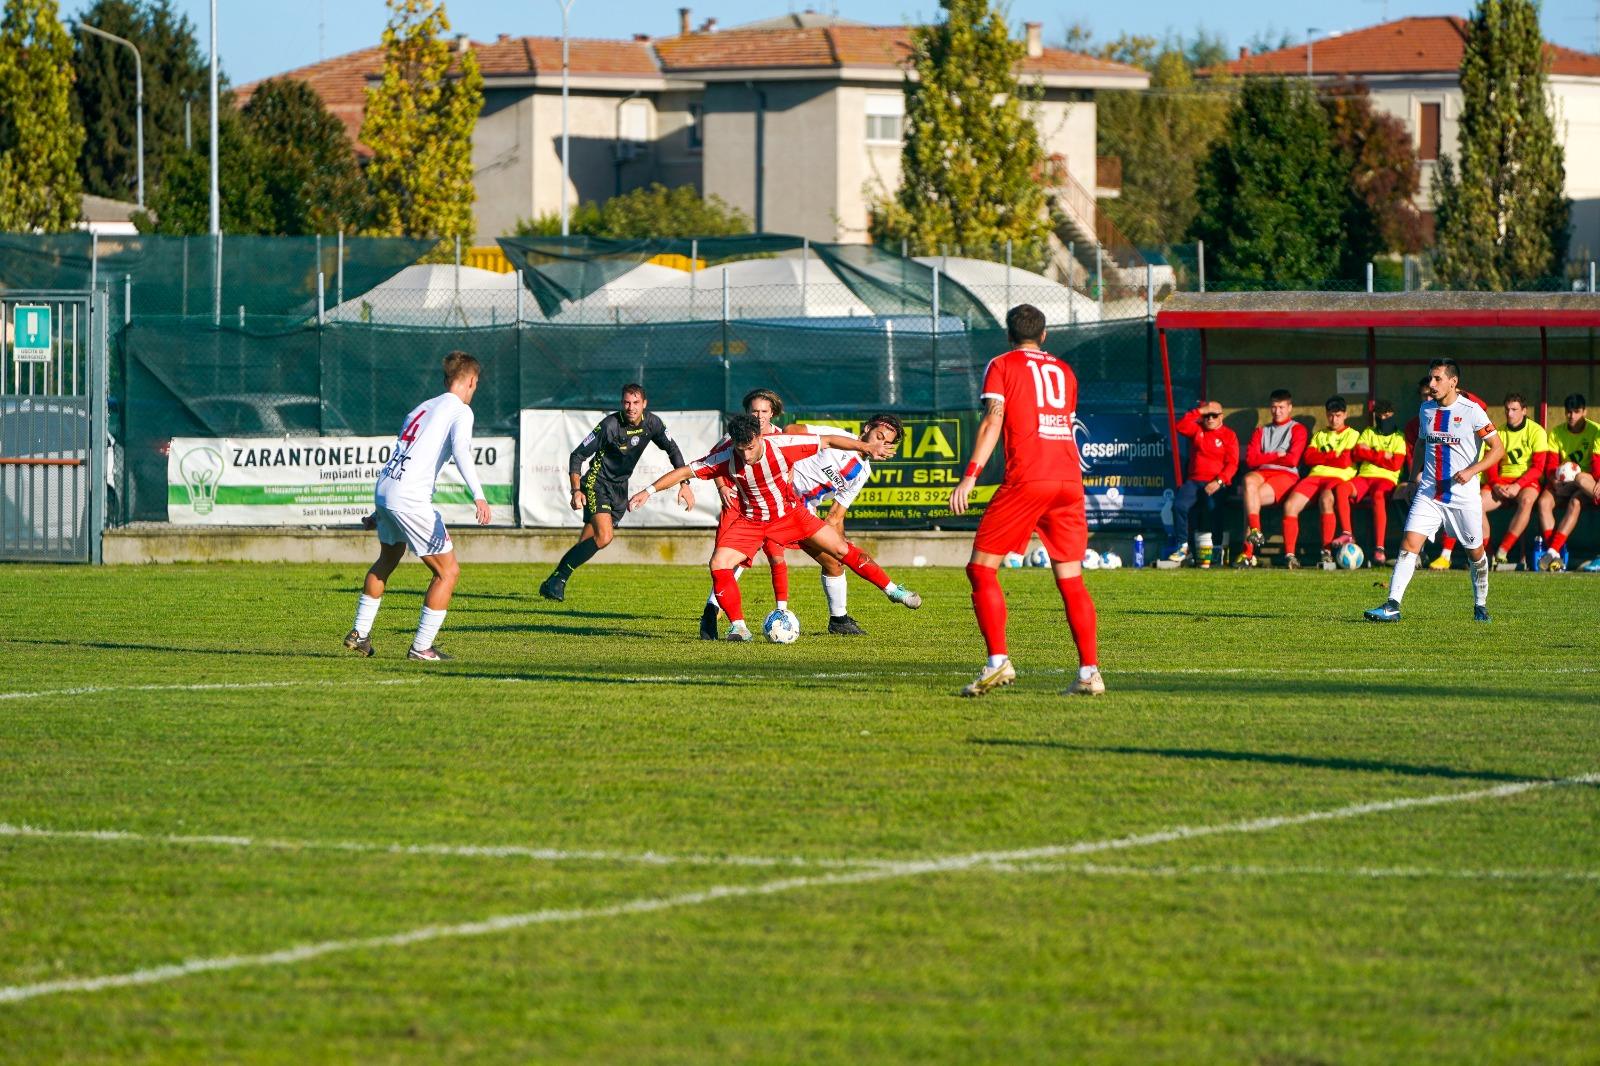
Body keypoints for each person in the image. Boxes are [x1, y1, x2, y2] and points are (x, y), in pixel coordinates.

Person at [631, 415, 920, 641]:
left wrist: (866, 447)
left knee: (840, 550)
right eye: (740, 449)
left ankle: (893, 590)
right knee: (719, 563)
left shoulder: (783, 446)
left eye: (750, 448)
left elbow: (829, 440)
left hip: (791, 515)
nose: (745, 455)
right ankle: (739, 628)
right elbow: (686, 471)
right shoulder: (726, 456)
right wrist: (649, 490)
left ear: (760, 437)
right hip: (751, 522)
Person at [948, 304, 1103, 698]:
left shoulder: (1002, 364)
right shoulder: (1065, 372)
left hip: (1028, 478)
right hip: (1069, 479)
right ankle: (1089, 672)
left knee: (981, 570)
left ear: (1008, 334)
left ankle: (998, 662)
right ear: (1045, 335)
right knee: (1071, 578)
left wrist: (970, 476)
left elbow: (993, 419)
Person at [345, 351, 492, 662]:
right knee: (448, 572)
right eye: (475, 385)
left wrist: (380, 508)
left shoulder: (422, 408)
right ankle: (422, 648)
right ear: (470, 381)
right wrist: (478, 494)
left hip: (387, 486)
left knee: (388, 558)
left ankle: (360, 633)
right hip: (409, 497)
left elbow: (402, 452)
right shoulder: (460, 411)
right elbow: (462, 451)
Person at [1365, 359, 1503, 624]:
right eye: (1430, 378)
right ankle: (1392, 605)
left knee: (1476, 554)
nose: (1432, 384)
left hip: (1463, 496)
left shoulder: (1473, 412)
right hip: (1430, 492)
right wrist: (1413, 477)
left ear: (1453, 382)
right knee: (1409, 544)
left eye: (1438, 379)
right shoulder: (1426, 409)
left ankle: (1480, 604)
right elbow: (1420, 444)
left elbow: (1498, 449)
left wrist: (1473, 470)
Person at [539, 384, 692, 602]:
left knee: (589, 540)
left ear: (644, 404)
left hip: (620, 488)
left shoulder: (652, 423)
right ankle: (557, 581)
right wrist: (575, 490)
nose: (631, 407)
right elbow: (577, 456)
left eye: (636, 403)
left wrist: (684, 483)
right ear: (622, 403)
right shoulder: (610, 425)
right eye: (627, 403)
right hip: (596, 483)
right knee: (605, 536)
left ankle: (554, 581)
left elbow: (673, 449)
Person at [765, 414, 904, 635]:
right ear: (867, 428)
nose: (881, 444)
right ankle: (715, 610)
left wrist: (839, 540)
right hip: (775, 494)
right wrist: (787, 465)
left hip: (802, 512)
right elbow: (792, 429)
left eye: (887, 443)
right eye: (879, 436)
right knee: (741, 553)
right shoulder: (839, 437)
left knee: (834, 562)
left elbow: (836, 516)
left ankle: (838, 620)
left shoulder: (862, 472)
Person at [698, 389, 791, 639]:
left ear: (773, 413)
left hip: (770, 511)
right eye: (754, 411)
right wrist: (722, 489)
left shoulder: (781, 438)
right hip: (738, 506)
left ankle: (782, 611)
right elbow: (711, 462)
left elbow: (789, 466)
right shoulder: (735, 436)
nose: (759, 416)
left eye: (764, 411)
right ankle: (712, 613)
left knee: (776, 556)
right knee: (726, 562)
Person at [1280, 396, 1359, 568]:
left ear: (1345, 415)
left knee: (1326, 500)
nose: (1334, 419)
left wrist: (1322, 458)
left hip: (1338, 478)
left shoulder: (1353, 434)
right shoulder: (1319, 434)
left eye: (1338, 415)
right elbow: (1308, 458)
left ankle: (1326, 553)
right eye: (1330, 415)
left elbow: (1345, 461)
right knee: (1290, 506)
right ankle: (1289, 555)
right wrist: (1332, 456)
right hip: (1314, 477)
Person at [1235, 388, 1309, 568]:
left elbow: (1292, 459)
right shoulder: (1261, 430)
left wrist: (1266, 456)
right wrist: (1277, 454)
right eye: (1274, 407)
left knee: (1250, 500)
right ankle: (1255, 531)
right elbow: (1252, 460)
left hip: (1286, 475)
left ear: (1290, 408)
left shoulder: (1297, 429)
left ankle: (1248, 553)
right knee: (1248, 481)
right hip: (1262, 473)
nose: (1277, 411)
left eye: (1282, 407)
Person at [1166, 400, 1239, 568]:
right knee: (1179, 506)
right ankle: (1184, 546)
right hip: (1194, 480)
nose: (1210, 419)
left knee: (1215, 509)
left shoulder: (1229, 435)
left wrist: (1219, 481)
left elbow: (1232, 463)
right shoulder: (1198, 429)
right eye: (1207, 416)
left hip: (1216, 481)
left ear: (1221, 416)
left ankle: (1217, 548)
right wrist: (1200, 410)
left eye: (1214, 415)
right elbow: (1180, 426)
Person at [1533, 393, 1600, 572]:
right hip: (1562, 483)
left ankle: (1553, 550)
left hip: (1585, 481)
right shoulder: (1556, 433)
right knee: (1543, 502)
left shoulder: (1595, 430)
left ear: (1584, 411)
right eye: (1569, 412)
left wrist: (1578, 483)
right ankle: (1555, 552)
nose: (1572, 416)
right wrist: (1555, 483)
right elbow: (1551, 466)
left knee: (1575, 502)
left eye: (1576, 412)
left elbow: (1596, 465)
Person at [1481, 393, 1549, 566]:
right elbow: (1491, 463)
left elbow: (1538, 468)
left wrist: (1518, 485)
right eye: (1507, 410)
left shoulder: (1537, 431)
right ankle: (1486, 553)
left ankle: (1503, 551)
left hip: (1526, 481)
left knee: (1527, 500)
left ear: (1524, 411)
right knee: (1474, 504)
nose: (1509, 414)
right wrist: (1495, 483)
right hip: (1502, 482)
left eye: (1514, 410)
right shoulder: (1499, 432)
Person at [1335, 399, 1406, 565]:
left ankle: (1379, 548)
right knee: (1341, 488)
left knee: (1379, 496)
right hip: (1364, 477)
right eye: (1379, 416)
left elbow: (1395, 464)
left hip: (1386, 479)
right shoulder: (1368, 432)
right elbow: (1358, 454)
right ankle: (1347, 533)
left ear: (1392, 416)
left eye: (1386, 416)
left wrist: (1372, 452)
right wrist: (1384, 455)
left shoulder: (1399, 437)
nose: (1383, 419)